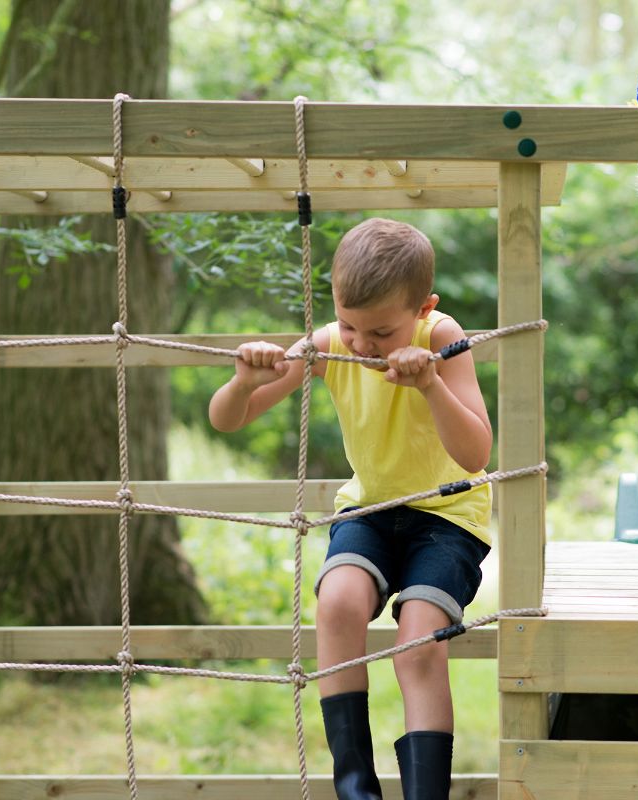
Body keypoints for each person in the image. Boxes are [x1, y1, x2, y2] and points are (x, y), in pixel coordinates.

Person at [208, 217, 492, 800]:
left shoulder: (442, 336)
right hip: (368, 511)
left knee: (416, 643)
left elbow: (475, 454)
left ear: (423, 309)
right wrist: (242, 383)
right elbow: (228, 419)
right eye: (349, 323)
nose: (361, 343)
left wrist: (431, 384)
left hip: (447, 518)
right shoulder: (328, 345)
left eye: (381, 332)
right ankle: (356, 789)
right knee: (336, 603)